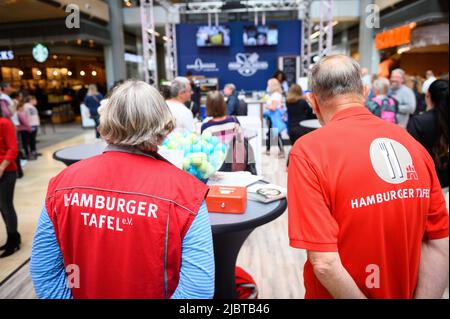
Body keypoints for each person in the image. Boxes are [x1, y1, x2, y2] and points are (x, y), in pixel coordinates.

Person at [30, 80, 215, 299]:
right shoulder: (186, 193)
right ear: (164, 126)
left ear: (105, 122)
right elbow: (197, 289)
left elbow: (45, 272)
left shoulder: (62, 184)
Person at [288, 54, 449, 299]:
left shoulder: (308, 151)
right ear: (365, 92)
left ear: (312, 100)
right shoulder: (411, 145)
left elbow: (325, 263)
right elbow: (439, 242)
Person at [201, 91, 257, 175]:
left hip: (216, 169)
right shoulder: (234, 121)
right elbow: (240, 142)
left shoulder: (206, 127)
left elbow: (205, 152)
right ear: (224, 104)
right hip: (236, 166)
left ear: (208, 106)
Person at [408, 79, 449, 189]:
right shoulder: (421, 121)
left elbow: (411, 157)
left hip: (425, 183)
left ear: (428, 96)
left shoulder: (419, 121)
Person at [0, 105, 21, 258]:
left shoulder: (5, 123)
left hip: (7, 171)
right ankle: (12, 237)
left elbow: (13, 149)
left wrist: (2, 167)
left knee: (6, 206)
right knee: (1, 207)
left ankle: (13, 240)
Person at [264, 78, 286, 158]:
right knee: (271, 134)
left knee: (277, 134)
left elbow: (273, 107)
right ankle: (268, 149)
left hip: (274, 117)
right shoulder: (275, 94)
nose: (268, 86)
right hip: (272, 117)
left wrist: (267, 106)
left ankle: (282, 151)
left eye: (268, 84)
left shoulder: (275, 95)